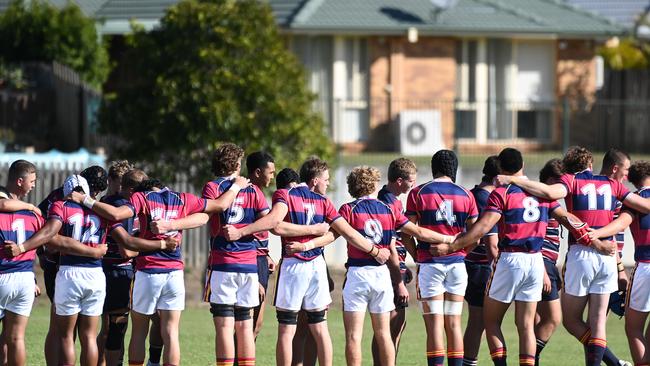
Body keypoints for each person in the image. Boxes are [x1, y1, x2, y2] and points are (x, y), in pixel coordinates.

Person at [222, 157, 390, 366]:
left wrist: (241, 232)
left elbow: (276, 225)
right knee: (320, 328)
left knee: (286, 328)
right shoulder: (323, 202)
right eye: (325, 179)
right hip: (316, 265)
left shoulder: (285, 194)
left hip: (294, 264)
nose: (328, 183)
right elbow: (348, 233)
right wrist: (374, 250)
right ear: (314, 180)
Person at [494, 146, 650, 365]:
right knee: (598, 324)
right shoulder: (612, 184)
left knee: (569, 319)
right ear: (591, 165)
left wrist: (514, 180)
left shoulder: (572, 181)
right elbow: (644, 206)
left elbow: (549, 193)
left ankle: (612, 362)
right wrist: (603, 233)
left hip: (582, 254)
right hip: (607, 255)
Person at [68, 173, 241, 366]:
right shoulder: (182, 198)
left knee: (139, 332)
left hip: (148, 271)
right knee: (171, 333)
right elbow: (218, 206)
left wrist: (85, 199)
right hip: (175, 273)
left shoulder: (141, 197)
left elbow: (117, 214)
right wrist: (236, 187)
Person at [404, 150, 478, 366]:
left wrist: (416, 254)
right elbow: (475, 236)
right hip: (457, 267)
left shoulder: (418, 193)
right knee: (454, 323)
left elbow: (406, 232)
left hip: (430, 266)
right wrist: (461, 252)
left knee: (435, 325)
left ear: (433, 167)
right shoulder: (466, 194)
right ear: (453, 169)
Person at [588, 161, 650, 366]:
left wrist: (596, 233)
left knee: (633, 329)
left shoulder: (635, 200)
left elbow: (620, 224)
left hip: (646, 266)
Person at [339, 166, 401, 366]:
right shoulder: (388, 210)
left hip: (358, 273)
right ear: (373, 184)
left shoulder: (348, 209)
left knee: (353, 336)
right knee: (384, 334)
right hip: (381, 275)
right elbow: (391, 251)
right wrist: (398, 279)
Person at [97, 162, 142, 366]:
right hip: (119, 270)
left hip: (102, 268)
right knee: (117, 327)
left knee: (105, 327)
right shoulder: (120, 206)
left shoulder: (104, 201)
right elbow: (126, 249)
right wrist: (152, 247)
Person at [463, 156, 500, 366]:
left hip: (471, 264)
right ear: (497, 177)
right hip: (482, 266)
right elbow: (488, 243)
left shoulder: (471, 193)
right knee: (479, 321)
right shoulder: (488, 199)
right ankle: (468, 362)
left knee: (477, 321)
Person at [534, 159, 564, 365]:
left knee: (534, 320)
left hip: (547, 263)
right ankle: (529, 357)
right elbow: (534, 237)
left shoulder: (545, 200)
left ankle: (529, 359)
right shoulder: (544, 201)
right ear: (552, 181)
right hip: (541, 262)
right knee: (553, 318)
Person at [245, 151, 277, 339]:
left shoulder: (257, 192)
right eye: (270, 172)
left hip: (260, 257)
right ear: (258, 172)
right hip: (251, 259)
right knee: (248, 322)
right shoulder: (248, 192)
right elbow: (270, 223)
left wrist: (266, 254)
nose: (272, 177)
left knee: (256, 324)